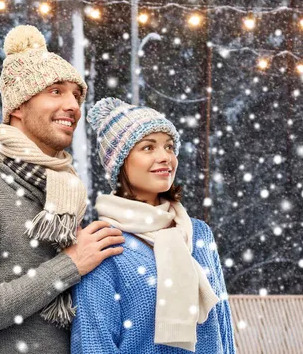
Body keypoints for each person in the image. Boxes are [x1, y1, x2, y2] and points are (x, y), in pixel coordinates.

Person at [0, 25, 124, 354]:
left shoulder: (63, 192)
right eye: (56, 91)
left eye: (76, 95)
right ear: (18, 107)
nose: (73, 105)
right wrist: (67, 267)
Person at [71, 97, 236, 353]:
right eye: (148, 148)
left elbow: (223, 327)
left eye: (169, 147)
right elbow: (94, 343)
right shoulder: (104, 242)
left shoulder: (199, 233)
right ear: (121, 163)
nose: (165, 157)